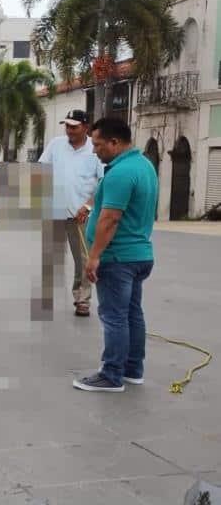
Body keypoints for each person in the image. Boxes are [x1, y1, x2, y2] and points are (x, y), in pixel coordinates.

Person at [73, 117, 158, 393]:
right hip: (140, 254)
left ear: (115, 142)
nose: (95, 150)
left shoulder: (121, 172)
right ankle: (133, 369)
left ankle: (111, 374)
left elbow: (110, 219)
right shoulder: (144, 165)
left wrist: (94, 256)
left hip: (118, 257)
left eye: (98, 145)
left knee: (114, 316)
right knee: (132, 312)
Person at [39, 110, 104, 317]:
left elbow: (103, 182)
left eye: (74, 126)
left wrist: (88, 206)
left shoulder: (95, 151)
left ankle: (82, 299)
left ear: (86, 127)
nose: (69, 130)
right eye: (67, 126)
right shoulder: (56, 145)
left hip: (81, 216)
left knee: (83, 259)